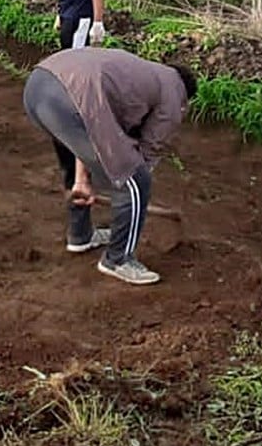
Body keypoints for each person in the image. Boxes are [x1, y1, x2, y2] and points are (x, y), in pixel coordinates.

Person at [23, 48, 197, 286]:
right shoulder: (174, 91)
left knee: (93, 157)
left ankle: (81, 235)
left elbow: (90, 129)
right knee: (136, 179)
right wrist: (132, 181)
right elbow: (150, 147)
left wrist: (83, 180)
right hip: (70, 100)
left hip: (38, 89)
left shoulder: (140, 75)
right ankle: (118, 260)